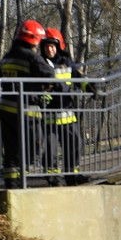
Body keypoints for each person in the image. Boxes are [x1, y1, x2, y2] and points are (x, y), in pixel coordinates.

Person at [0, 20, 57, 189]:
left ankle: (11, 184)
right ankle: (23, 178)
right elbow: (50, 76)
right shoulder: (32, 57)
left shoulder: (6, 57)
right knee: (34, 145)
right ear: (35, 39)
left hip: (5, 109)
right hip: (25, 110)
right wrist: (46, 88)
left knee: (12, 149)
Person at [40, 27, 89, 186]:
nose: (50, 49)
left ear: (58, 46)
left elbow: (79, 79)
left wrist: (92, 89)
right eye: (47, 46)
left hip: (67, 114)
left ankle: (72, 175)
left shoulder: (66, 62)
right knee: (50, 150)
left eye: (52, 46)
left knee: (75, 143)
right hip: (49, 118)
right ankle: (53, 178)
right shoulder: (39, 64)